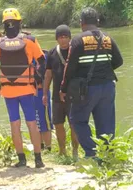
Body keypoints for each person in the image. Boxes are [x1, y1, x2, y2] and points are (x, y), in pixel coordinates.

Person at [0, 8, 46, 168]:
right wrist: (37, 77)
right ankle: (38, 159)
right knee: (32, 123)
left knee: (15, 124)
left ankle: (21, 159)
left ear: (4, 25)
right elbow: (42, 61)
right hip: (27, 89)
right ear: (20, 23)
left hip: (8, 90)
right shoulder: (30, 40)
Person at [60, 8, 123, 157]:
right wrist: (105, 71)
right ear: (98, 22)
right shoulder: (108, 38)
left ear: (81, 23)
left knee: (77, 119)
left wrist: (63, 88)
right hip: (108, 87)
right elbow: (119, 61)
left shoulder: (78, 40)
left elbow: (70, 67)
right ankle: (107, 157)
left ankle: (92, 153)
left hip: (87, 89)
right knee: (106, 125)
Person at [43, 25, 79, 158]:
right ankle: (62, 150)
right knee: (58, 124)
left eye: (65, 37)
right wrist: (45, 94)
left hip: (73, 95)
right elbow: (48, 75)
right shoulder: (52, 53)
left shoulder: (75, 51)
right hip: (57, 97)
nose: (63, 40)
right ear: (57, 39)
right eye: (60, 37)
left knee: (73, 124)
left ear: (70, 38)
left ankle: (75, 150)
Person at [33, 51, 53, 152]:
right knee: (35, 120)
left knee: (45, 120)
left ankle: (48, 147)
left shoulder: (44, 56)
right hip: (30, 93)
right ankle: (39, 146)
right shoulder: (25, 56)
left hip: (42, 92)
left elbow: (48, 75)